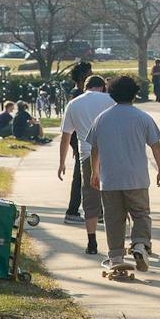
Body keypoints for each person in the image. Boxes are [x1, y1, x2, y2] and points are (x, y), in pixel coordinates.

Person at [89, 74, 160, 271]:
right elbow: (156, 147)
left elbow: (94, 148)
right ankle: (140, 244)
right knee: (140, 215)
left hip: (110, 179)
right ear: (135, 94)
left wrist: (94, 172)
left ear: (111, 94)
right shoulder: (143, 118)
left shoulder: (101, 119)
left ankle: (116, 257)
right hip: (137, 178)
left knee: (114, 218)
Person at [58, 74, 113, 255]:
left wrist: (62, 162)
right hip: (111, 153)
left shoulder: (74, 104)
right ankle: (118, 243)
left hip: (87, 154)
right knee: (117, 196)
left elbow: (66, 136)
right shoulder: (112, 100)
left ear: (85, 87)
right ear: (103, 86)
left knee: (90, 198)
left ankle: (92, 242)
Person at [63, 60, 92, 223]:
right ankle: (72, 211)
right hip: (80, 143)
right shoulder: (77, 95)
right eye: (90, 73)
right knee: (80, 179)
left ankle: (79, 210)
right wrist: (74, 146)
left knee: (85, 178)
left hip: (83, 142)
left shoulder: (80, 93)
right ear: (82, 77)